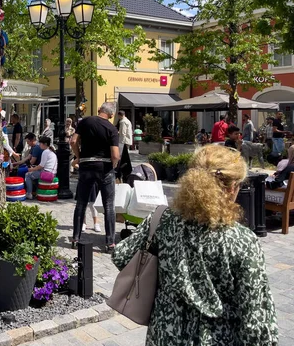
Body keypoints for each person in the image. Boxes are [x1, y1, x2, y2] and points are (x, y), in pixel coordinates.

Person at [112, 145, 278, 346]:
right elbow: (256, 320)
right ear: (232, 188)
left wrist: (165, 277)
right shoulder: (242, 241)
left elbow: (121, 255)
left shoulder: (162, 220)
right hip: (216, 338)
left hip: (165, 334)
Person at [71, 102, 120, 252]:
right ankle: (110, 243)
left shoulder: (85, 121)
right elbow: (115, 155)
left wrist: (79, 157)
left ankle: (75, 238)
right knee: (109, 205)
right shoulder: (112, 129)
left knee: (81, 203)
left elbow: (73, 141)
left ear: (99, 110)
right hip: (104, 168)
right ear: (111, 115)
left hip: (86, 166)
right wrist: (114, 165)